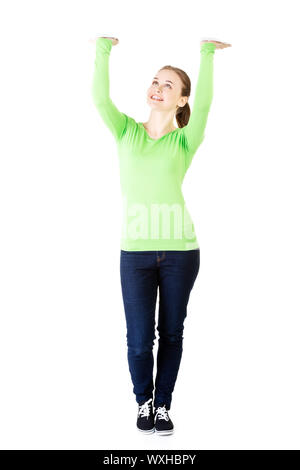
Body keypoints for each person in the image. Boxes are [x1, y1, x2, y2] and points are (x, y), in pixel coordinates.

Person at [91, 36, 231, 435]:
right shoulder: (126, 132)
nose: (157, 87)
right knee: (138, 338)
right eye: (155, 80)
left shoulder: (185, 140)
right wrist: (102, 48)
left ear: (181, 100)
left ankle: (165, 405)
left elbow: (206, 105)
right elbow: (101, 100)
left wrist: (206, 53)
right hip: (134, 252)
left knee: (171, 332)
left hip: (181, 251)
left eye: (168, 84)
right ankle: (144, 400)